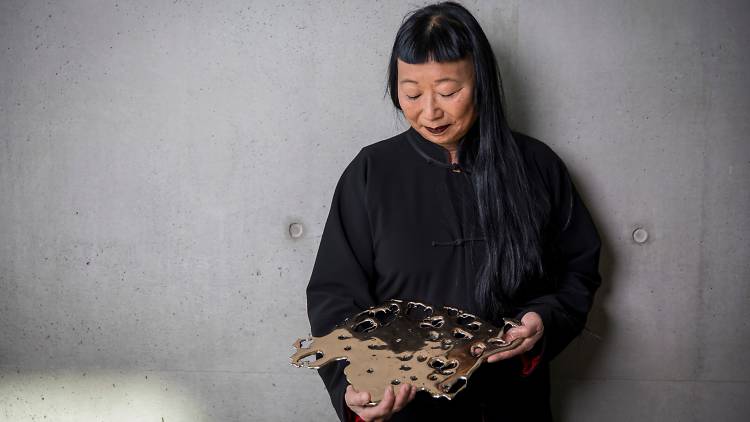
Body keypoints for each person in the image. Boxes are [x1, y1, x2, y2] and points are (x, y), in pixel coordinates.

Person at [305, 2, 602, 421]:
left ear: (481, 82)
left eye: (448, 92)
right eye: (411, 93)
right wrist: (353, 384)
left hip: (513, 404)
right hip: (408, 410)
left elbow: (578, 269)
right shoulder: (371, 172)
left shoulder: (537, 165)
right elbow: (334, 294)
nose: (430, 111)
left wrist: (543, 319)